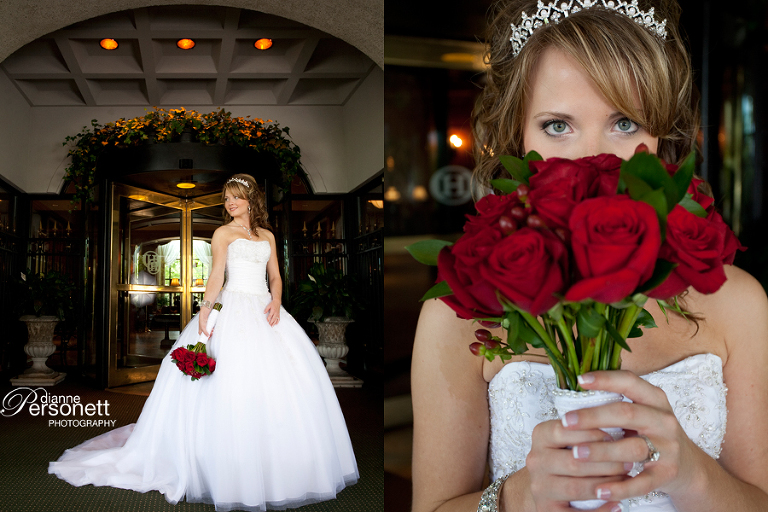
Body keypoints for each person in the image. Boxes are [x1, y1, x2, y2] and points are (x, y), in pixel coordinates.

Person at [411, 1, 768, 512]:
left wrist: (694, 476)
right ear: (515, 136)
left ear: (660, 137)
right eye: (558, 126)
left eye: (624, 122)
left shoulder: (739, 301)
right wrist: (517, 498)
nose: (592, 158)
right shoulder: (456, 316)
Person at [49, 173, 359, 511]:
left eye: (235, 197)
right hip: (233, 305)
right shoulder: (222, 232)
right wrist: (206, 311)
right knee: (225, 383)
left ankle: (277, 462)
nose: (230, 204)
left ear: (251, 199)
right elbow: (216, 276)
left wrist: (276, 300)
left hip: (264, 308)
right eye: (226, 199)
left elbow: (275, 275)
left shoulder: (268, 235)